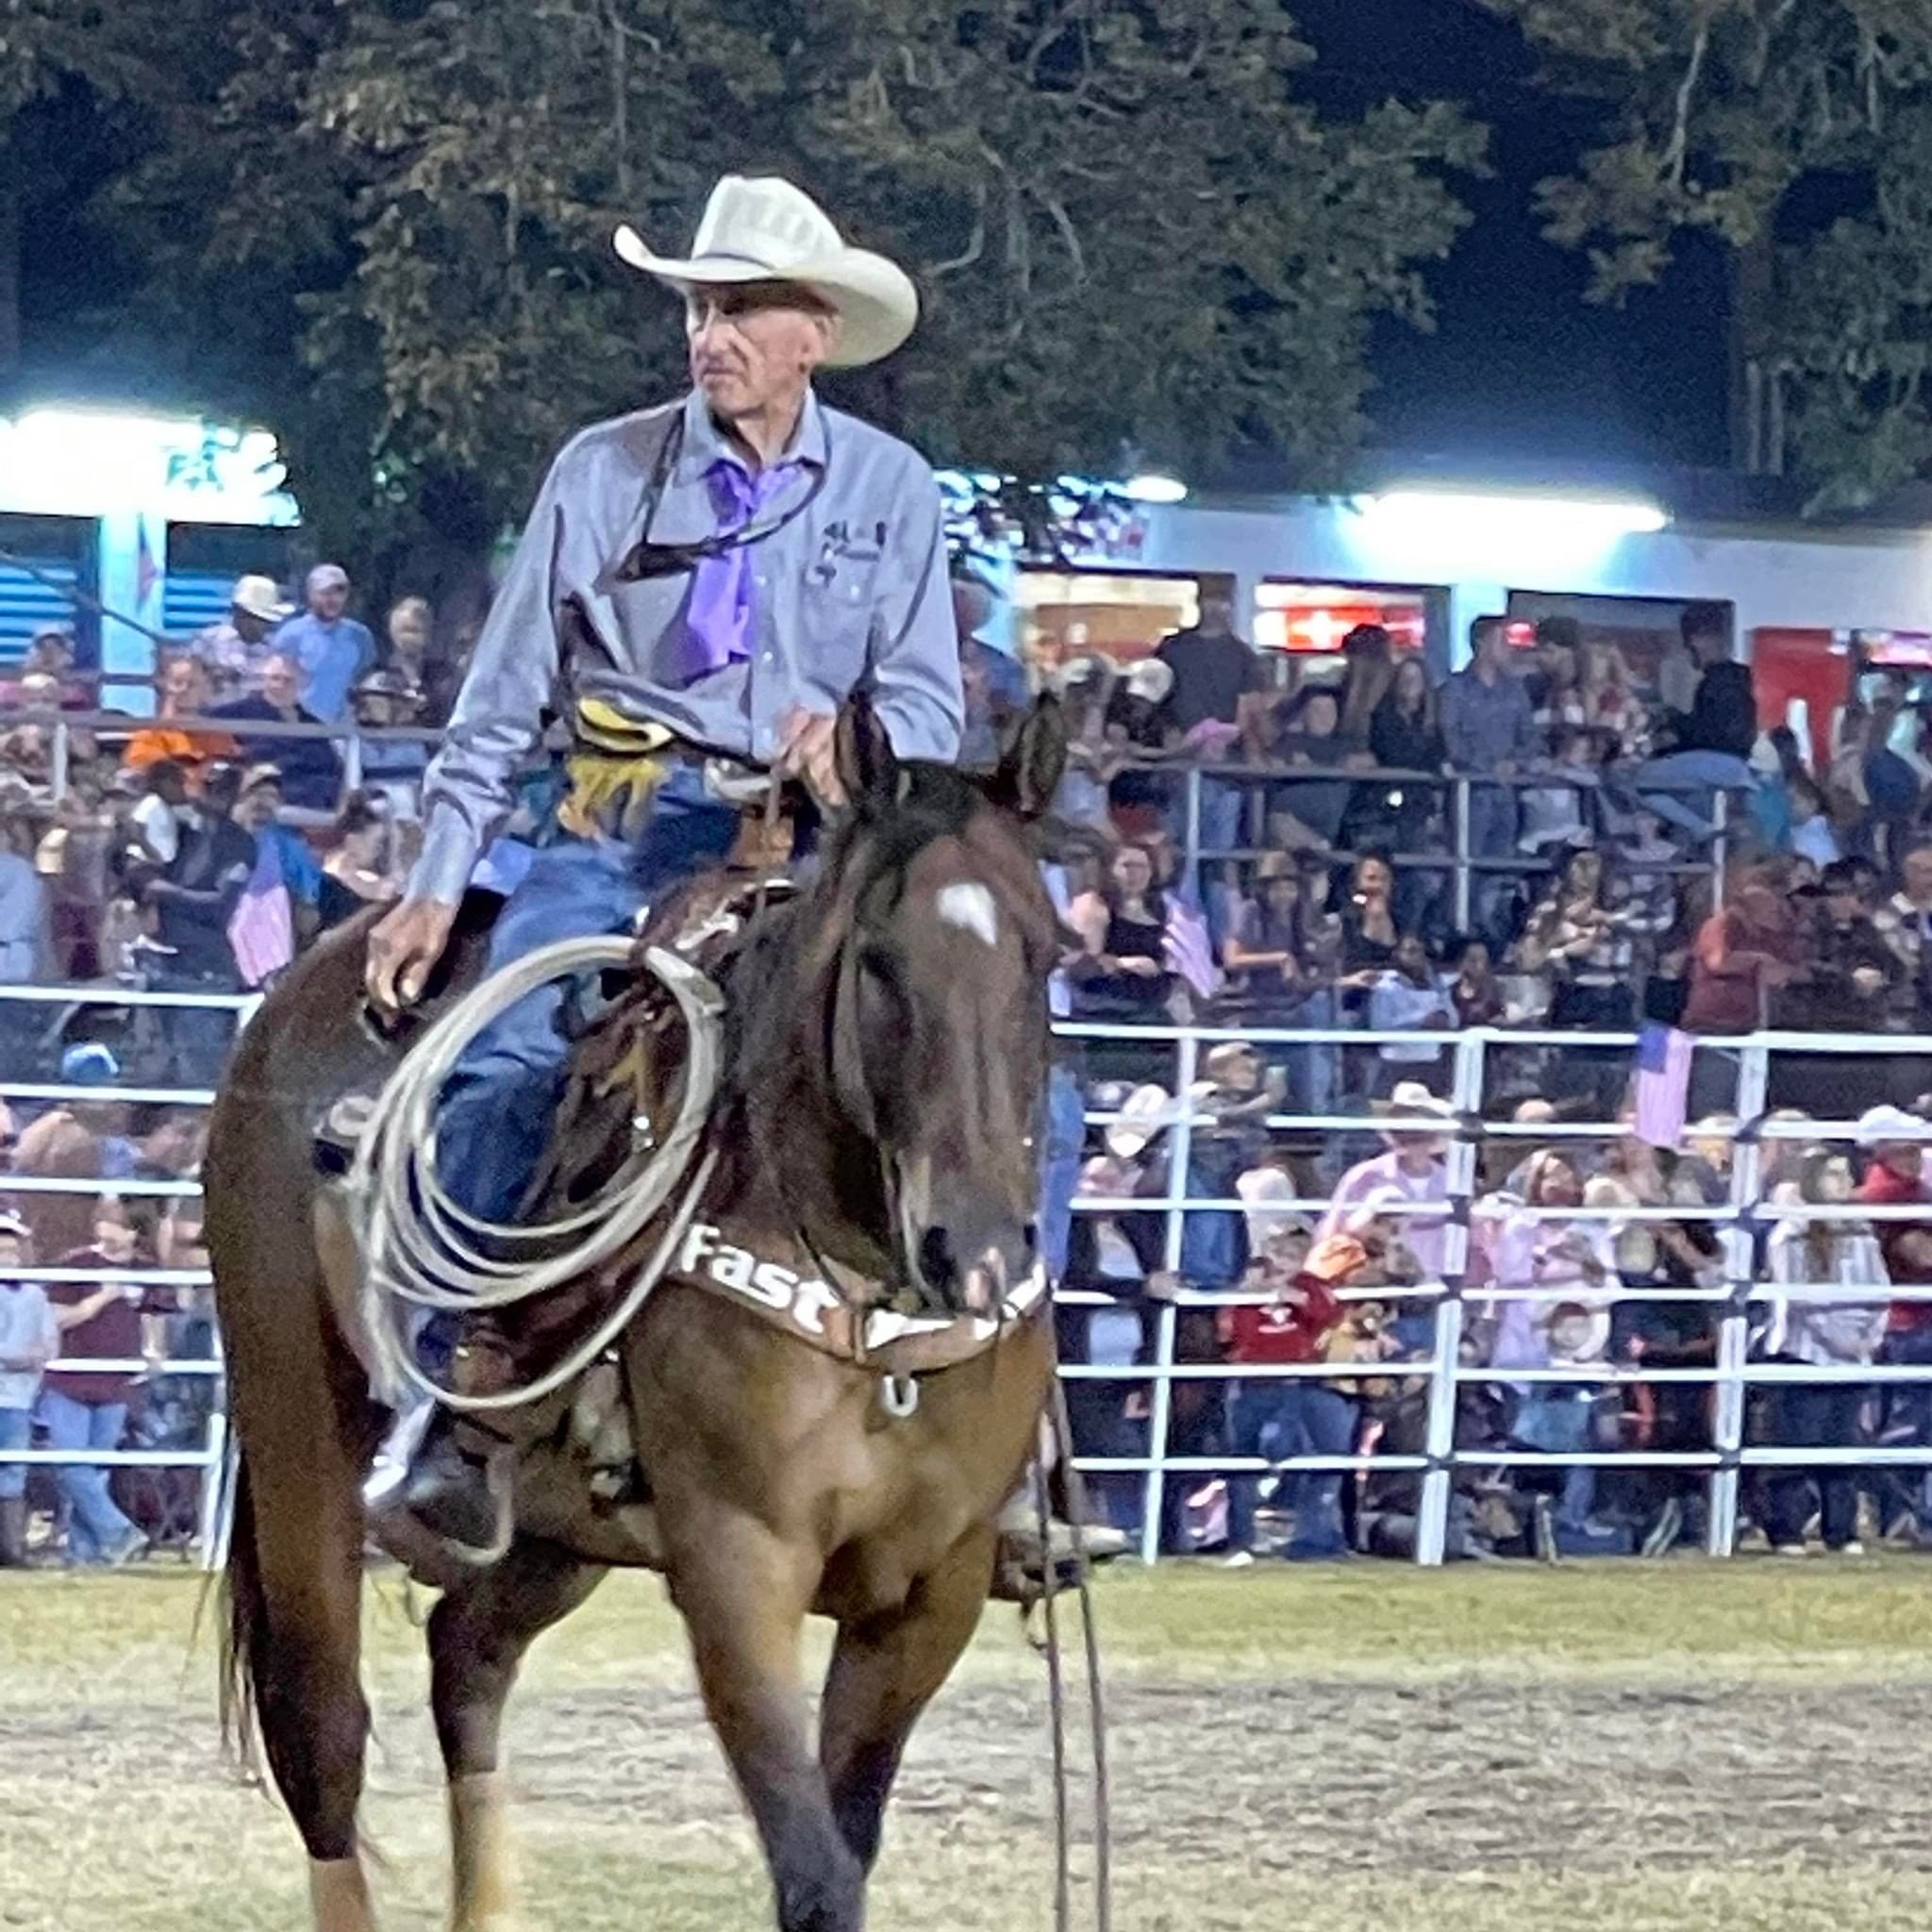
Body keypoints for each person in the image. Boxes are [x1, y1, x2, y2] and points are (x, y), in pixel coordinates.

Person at [357, 175, 958, 1555]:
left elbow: (932, 702)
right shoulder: (604, 469)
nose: (711, 331)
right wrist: (441, 875)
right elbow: (504, 695)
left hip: (812, 835)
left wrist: (853, 736)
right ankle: (462, 1405)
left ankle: (982, 1402)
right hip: (617, 815)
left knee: (977, 1042)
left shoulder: (891, 491)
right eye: (699, 303)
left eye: (742, 306)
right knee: (511, 1063)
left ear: (816, 330)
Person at [1760, 1148, 1888, 1557]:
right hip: (1805, 1351)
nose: (1843, 1182)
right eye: (1832, 1174)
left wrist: (1869, 1337)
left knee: (1843, 1445)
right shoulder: (1790, 1233)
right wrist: (1840, 1342)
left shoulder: (1861, 1231)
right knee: (1797, 1443)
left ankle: (1841, 1530)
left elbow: (1881, 1290)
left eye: (1846, 1174)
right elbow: (1799, 1298)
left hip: (1855, 1355)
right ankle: (1787, 1531)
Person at [41, 1200, 156, 1566]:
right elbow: (58, 1320)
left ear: (135, 1232)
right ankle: (119, 1532)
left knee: (97, 1471)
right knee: (73, 1464)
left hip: (117, 1384)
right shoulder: (74, 1265)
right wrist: (103, 1297)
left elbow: (158, 1318)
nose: (106, 1230)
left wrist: (153, 1354)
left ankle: (85, 1554)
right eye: (102, 1221)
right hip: (68, 1380)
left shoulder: (148, 1270)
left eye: (117, 1224)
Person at [146, 762, 254, 1087]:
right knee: (154, 1071)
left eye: (225, 789)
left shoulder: (239, 843)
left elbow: (220, 904)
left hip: (203, 968)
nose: (216, 796)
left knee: (200, 1075)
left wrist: (165, 893)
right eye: (210, 786)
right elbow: (132, 869)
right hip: (159, 963)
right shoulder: (175, 831)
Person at [1439, 618, 1538, 941]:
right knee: (1464, 863)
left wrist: (1515, 763)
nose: (1509, 649)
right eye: (1503, 641)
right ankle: (1455, 930)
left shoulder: (1516, 691)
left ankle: (1489, 930)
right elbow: (1449, 737)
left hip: (1506, 795)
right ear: (1482, 643)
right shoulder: (1455, 689)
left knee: (1499, 866)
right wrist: (1485, 767)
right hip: (1471, 792)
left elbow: (1530, 738)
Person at [1629, 604, 1756, 839]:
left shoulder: (1715, 682)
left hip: (1714, 763)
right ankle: (1700, 826)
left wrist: (1675, 723)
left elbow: (1709, 733)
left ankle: (1700, 829)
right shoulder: (1737, 681)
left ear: (1698, 640)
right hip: (1736, 765)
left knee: (1642, 779)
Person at [0, 1211, 60, 1567]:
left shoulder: (35, 1295)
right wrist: (16, 1357)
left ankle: (11, 1549)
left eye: (12, 1250)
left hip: (20, 1397)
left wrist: (33, 1357)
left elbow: (48, 1342)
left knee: (14, 1471)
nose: (8, 1256)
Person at [210, 650, 344, 809]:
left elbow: (328, 763)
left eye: (288, 680)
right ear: (264, 680)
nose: (280, 685)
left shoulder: (313, 725)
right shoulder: (234, 713)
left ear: (299, 685)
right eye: (275, 678)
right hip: (259, 797)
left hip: (314, 798)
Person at [1068, 841, 1176, 1017]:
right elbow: (1079, 964)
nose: (1135, 873)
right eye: (1127, 865)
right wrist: (1123, 963)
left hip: (1150, 1007)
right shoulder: (1095, 906)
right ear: (1110, 869)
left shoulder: (1159, 910)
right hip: (1106, 1008)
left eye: (1142, 866)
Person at [275, 563, 376, 724]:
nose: (333, 599)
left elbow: (366, 679)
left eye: (339, 592)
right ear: (310, 594)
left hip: (346, 730)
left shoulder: (361, 636)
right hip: (303, 727)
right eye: (325, 593)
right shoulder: (290, 634)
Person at [124, 655, 240, 790]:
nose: (184, 689)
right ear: (166, 686)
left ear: (205, 690)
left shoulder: (219, 735)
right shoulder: (149, 734)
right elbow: (139, 768)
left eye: (192, 684)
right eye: (178, 682)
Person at [192, 574, 294, 699]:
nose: (262, 626)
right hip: (214, 714)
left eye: (265, 621)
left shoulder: (277, 650)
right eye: (257, 619)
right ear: (239, 613)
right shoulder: (207, 642)